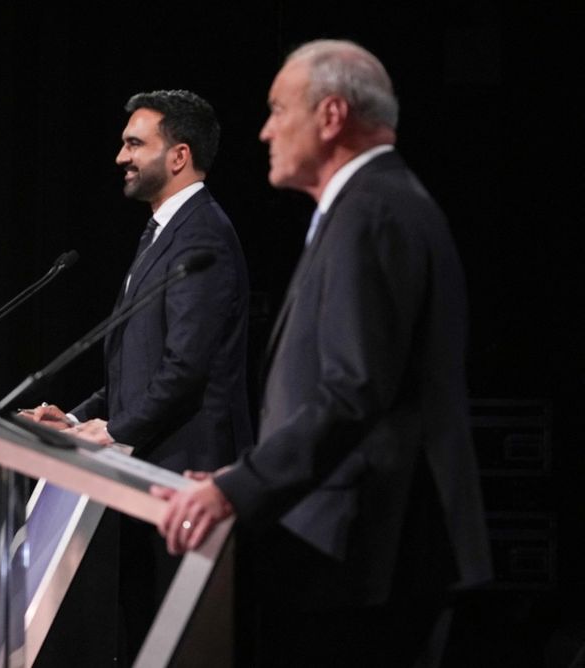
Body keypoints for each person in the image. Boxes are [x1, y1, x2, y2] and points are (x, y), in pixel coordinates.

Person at [153, 40, 493, 666]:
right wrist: (238, 476)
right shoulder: (373, 204)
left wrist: (239, 488)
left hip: (370, 559)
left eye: (279, 110)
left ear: (331, 115)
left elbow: (353, 391)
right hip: (358, 553)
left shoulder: (373, 211)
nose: (265, 131)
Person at [28, 89, 252, 661]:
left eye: (134, 144)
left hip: (186, 476)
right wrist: (76, 417)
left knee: (183, 647)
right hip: (147, 473)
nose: (120, 157)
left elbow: (185, 368)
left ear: (178, 156)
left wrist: (113, 429)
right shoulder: (161, 230)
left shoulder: (201, 233)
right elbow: (137, 364)